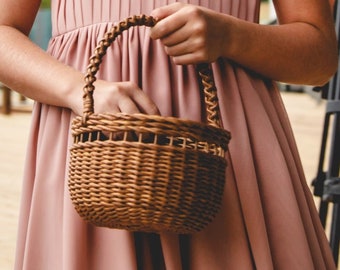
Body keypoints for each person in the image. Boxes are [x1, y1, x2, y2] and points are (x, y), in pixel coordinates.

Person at [0, 0, 337, 269]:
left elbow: (320, 54)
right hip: (93, 143)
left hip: (226, 147)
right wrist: (78, 90)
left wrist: (231, 36)